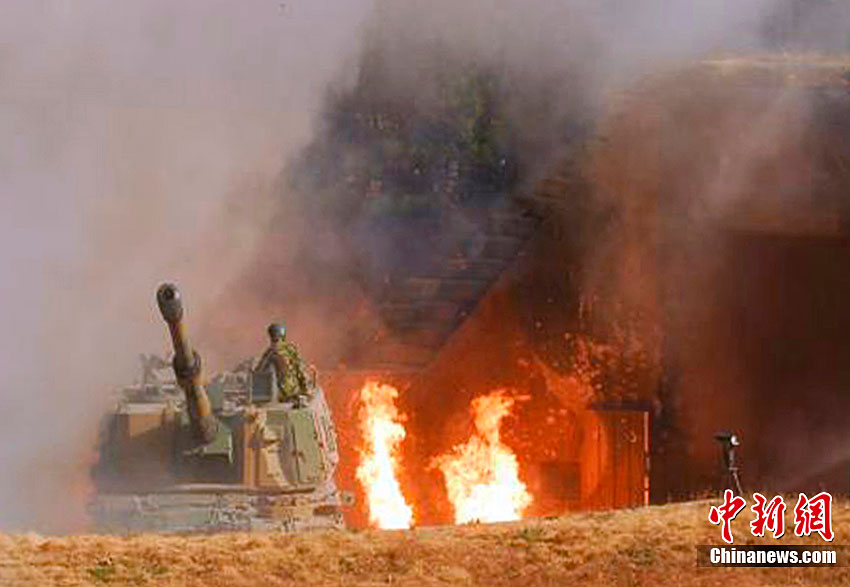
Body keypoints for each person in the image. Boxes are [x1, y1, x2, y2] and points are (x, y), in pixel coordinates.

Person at [255, 322, 310, 402]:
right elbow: (301, 370)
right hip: (295, 391)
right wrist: (305, 390)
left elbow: (258, 373)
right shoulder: (291, 349)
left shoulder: (270, 352)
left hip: (282, 395)